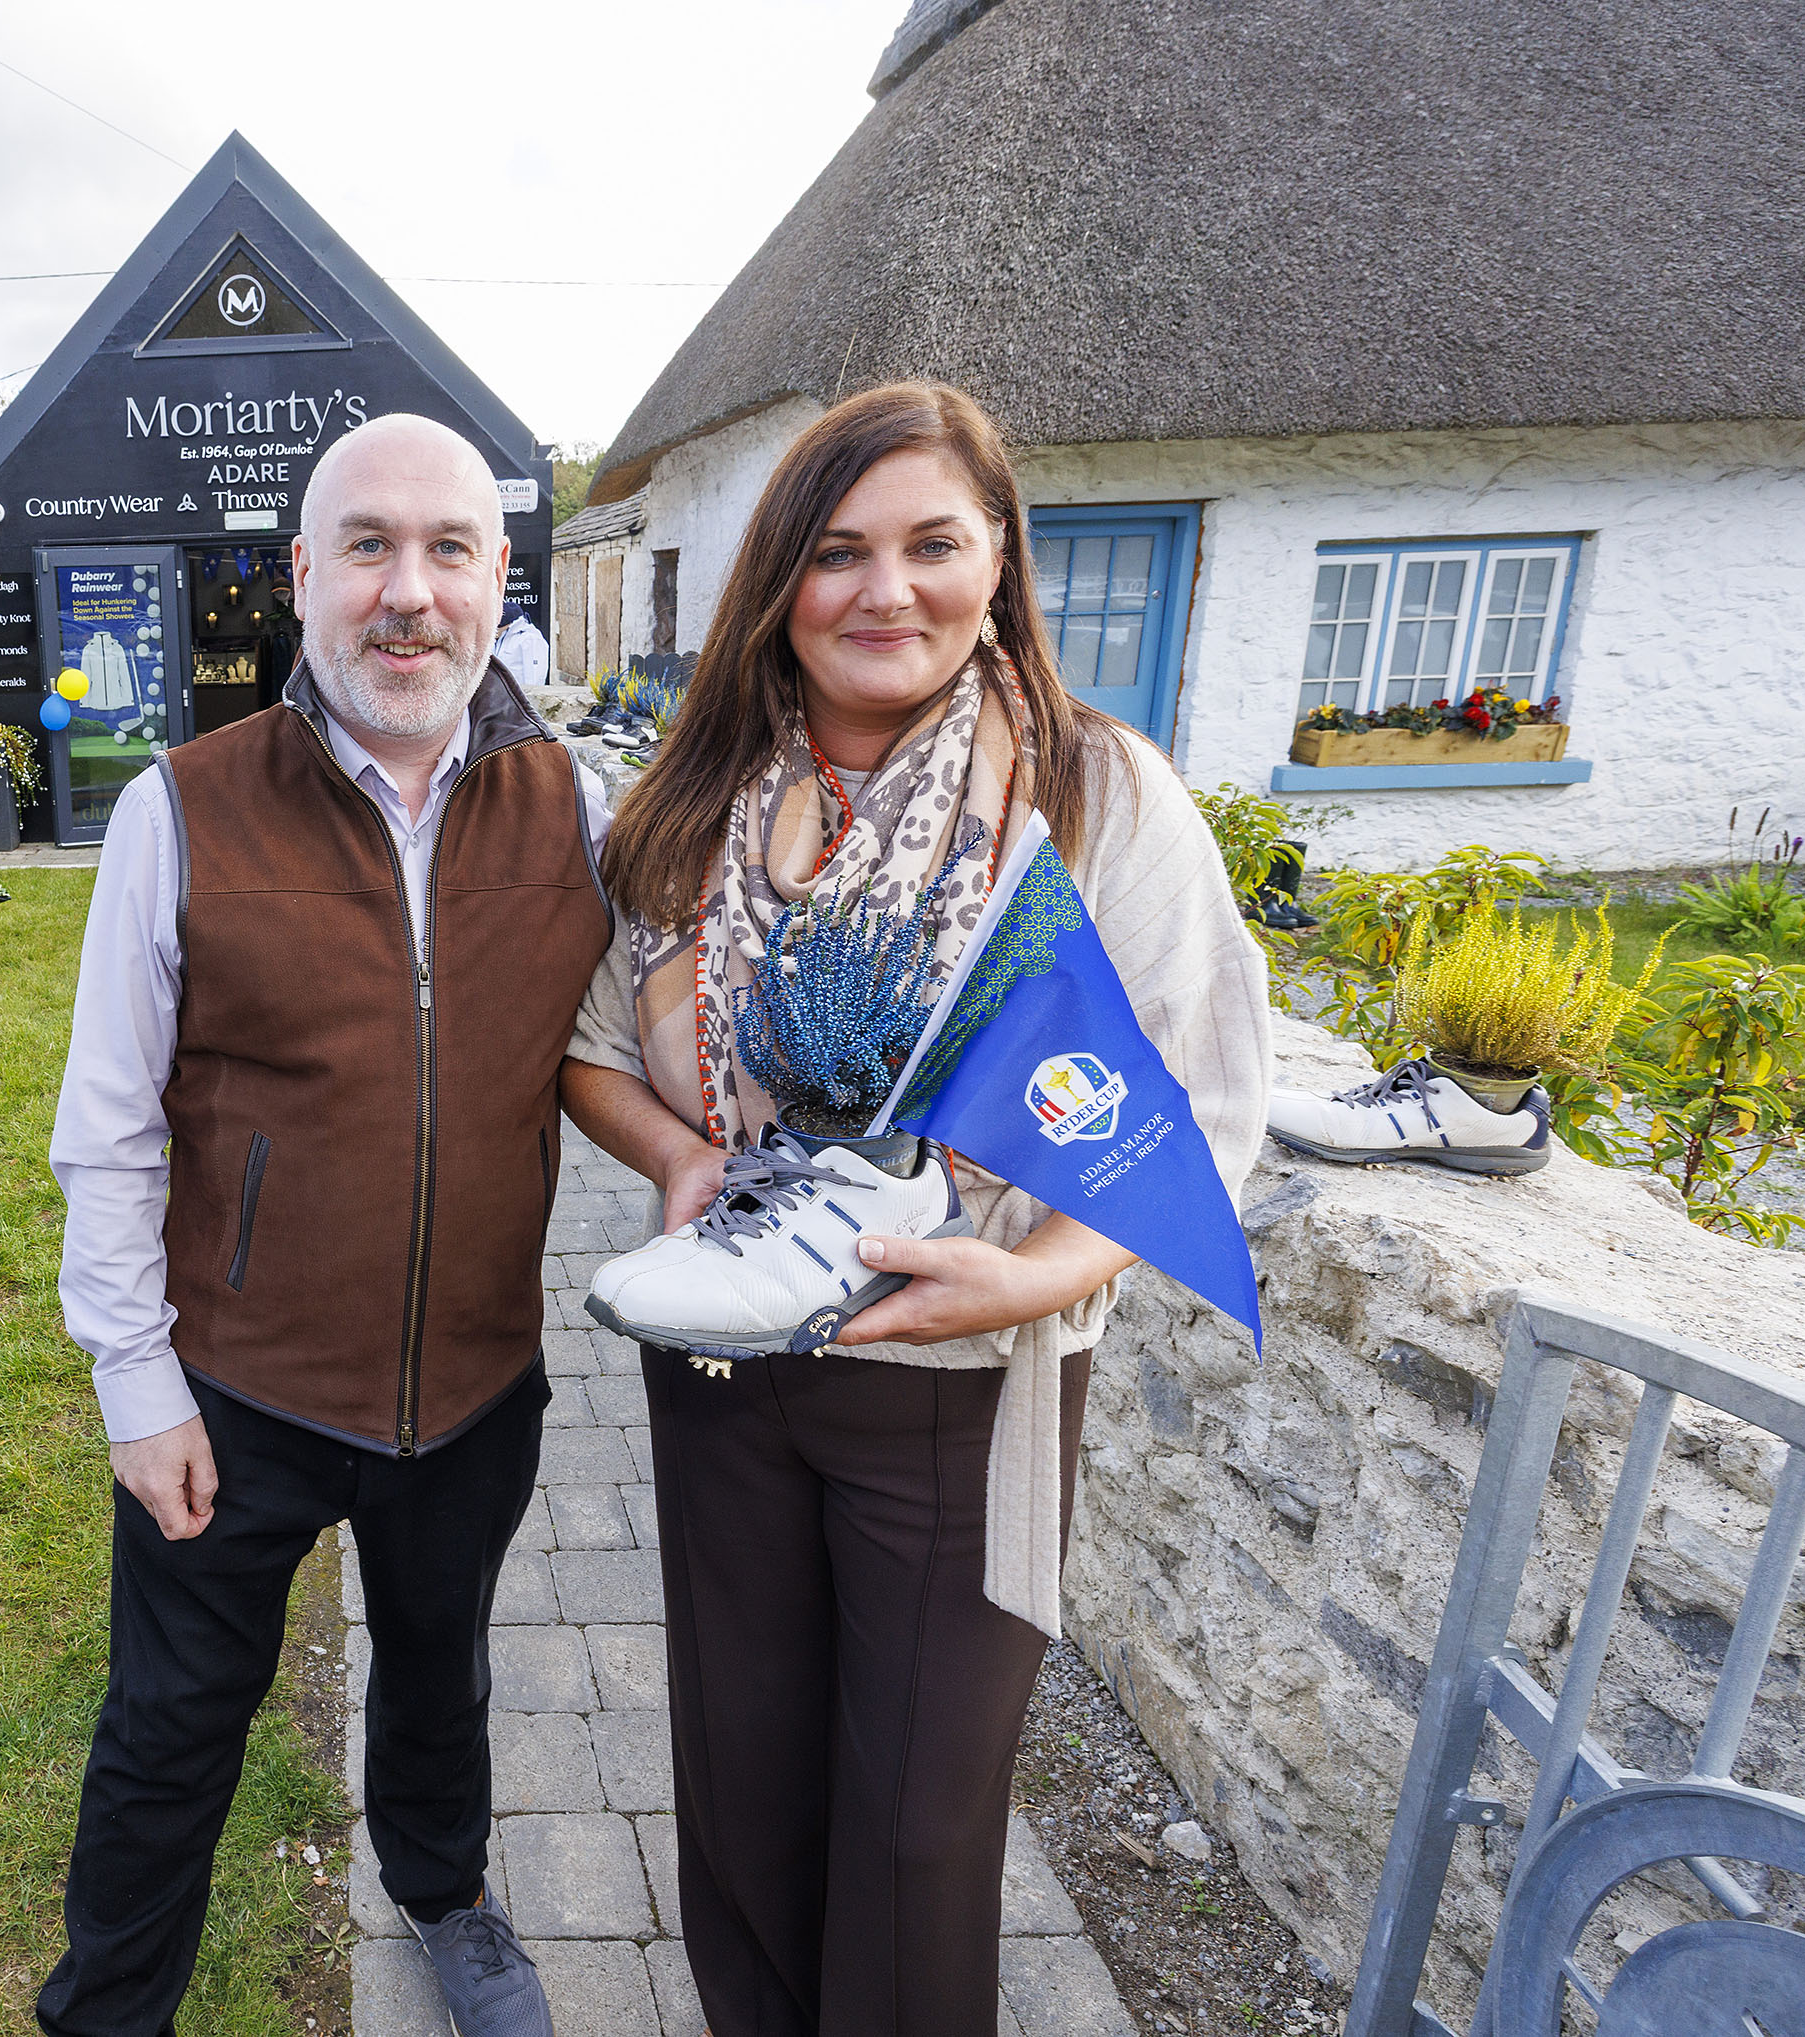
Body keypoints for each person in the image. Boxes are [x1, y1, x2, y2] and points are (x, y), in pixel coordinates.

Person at [560, 380, 1270, 2034]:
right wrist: (680, 1161)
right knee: (744, 1788)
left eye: (932, 545)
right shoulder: (698, 802)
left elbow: (1197, 1104)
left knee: (916, 1828)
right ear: (780, 583)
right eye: (837, 553)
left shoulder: (1094, 800)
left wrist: (1030, 1283)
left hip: (961, 1389)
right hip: (727, 1365)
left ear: (999, 557)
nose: (886, 591)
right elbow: (592, 1053)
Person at [39, 414, 614, 2037]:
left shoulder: (575, 806)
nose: (407, 591)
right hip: (236, 1393)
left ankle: (443, 1893)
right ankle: (109, 2010)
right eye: (368, 546)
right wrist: (135, 1381)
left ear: (499, 581)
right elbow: (108, 1125)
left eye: (448, 550)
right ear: (302, 576)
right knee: (170, 1727)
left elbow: (657, 1031)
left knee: (442, 1679)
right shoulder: (183, 808)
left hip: (476, 1386)